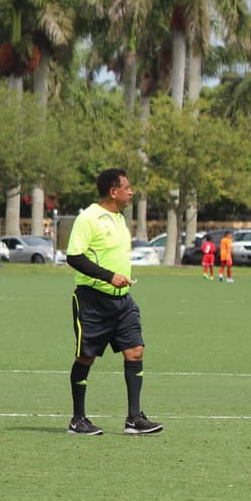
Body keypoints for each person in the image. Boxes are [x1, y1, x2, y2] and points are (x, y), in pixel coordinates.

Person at [65, 168, 162, 435]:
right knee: (85, 358)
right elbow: (74, 256)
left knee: (136, 351)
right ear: (113, 191)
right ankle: (78, 420)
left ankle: (134, 419)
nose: (131, 192)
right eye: (126, 188)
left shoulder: (119, 219)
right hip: (93, 301)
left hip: (123, 302)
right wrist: (109, 276)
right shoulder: (89, 217)